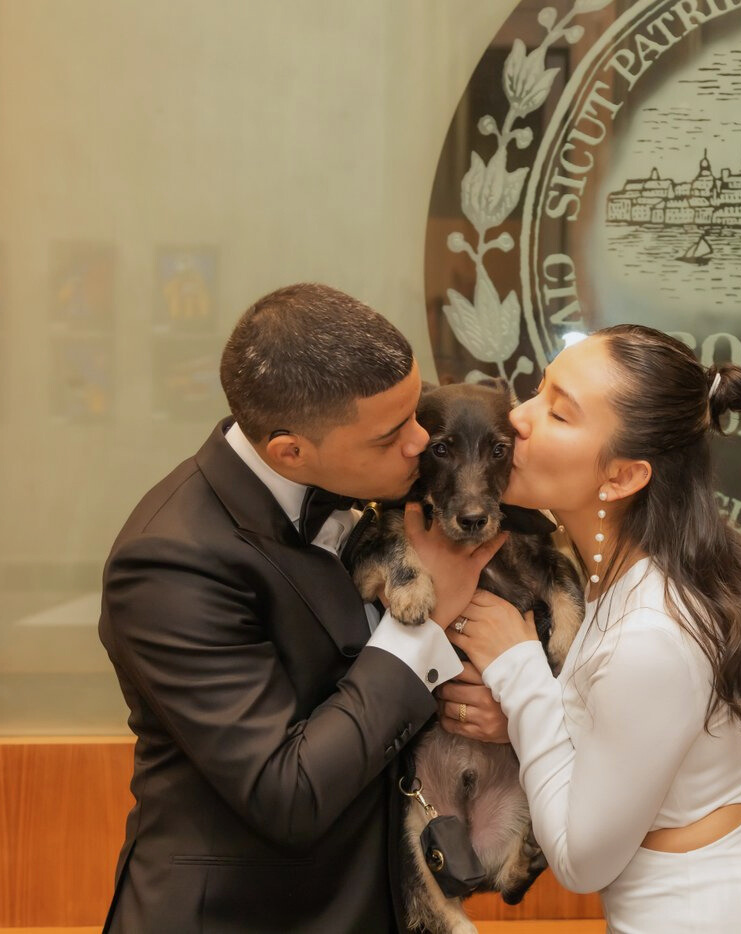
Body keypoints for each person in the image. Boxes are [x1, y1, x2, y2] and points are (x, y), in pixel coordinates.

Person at [97, 283, 503, 933]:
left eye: (416, 414)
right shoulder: (169, 562)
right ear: (290, 450)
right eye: (392, 434)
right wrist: (419, 627)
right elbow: (288, 793)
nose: (421, 442)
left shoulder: (370, 495)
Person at [441, 325, 741, 933]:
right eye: (538, 389)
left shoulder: (653, 631)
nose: (518, 418)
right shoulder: (621, 569)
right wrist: (526, 720)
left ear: (622, 477)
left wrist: (518, 670)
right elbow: (622, 732)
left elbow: (579, 861)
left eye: (559, 413)